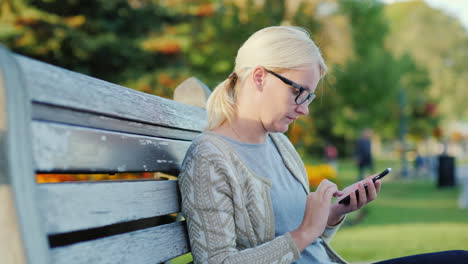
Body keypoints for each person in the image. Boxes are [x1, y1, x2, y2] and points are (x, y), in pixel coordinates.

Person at [178, 26, 467, 264]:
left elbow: (304, 245)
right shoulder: (209, 156)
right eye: (299, 92)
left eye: (309, 96)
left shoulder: (280, 145)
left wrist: (331, 216)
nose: (304, 109)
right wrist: (305, 231)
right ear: (259, 77)